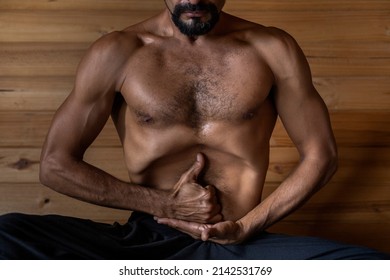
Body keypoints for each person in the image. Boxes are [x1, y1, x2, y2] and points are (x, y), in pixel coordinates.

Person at [0, 0, 388, 259]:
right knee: (8, 234)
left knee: (371, 266)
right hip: (146, 242)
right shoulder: (119, 51)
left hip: (241, 241)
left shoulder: (271, 48)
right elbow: (55, 165)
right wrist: (164, 205)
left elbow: (322, 156)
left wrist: (245, 227)